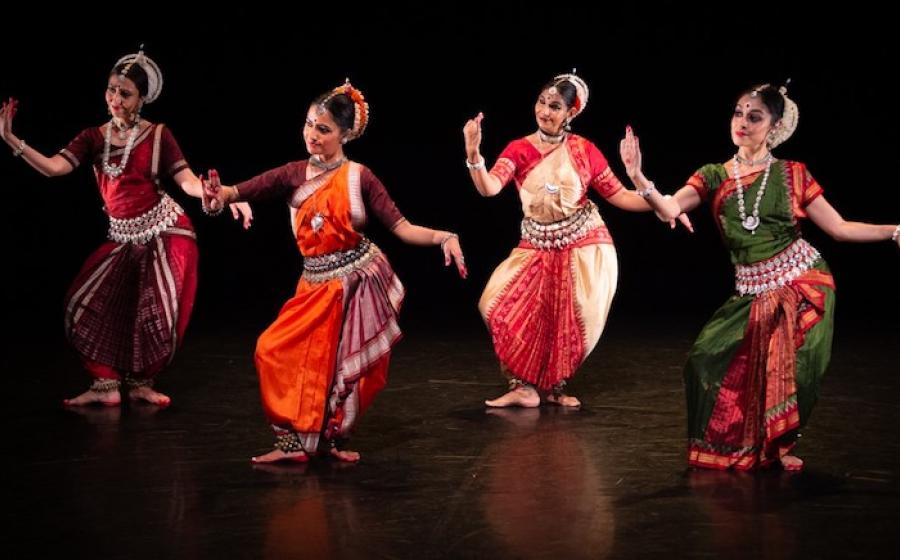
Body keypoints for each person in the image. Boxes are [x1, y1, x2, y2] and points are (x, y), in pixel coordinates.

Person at [620, 82, 900, 471]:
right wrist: (637, 175)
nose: (743, 123)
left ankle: (778, 448)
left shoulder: (793, 174)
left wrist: (895, 230)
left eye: (755, 117)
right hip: (751, 290)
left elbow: (839, 228)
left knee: (788, 368)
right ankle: (744, 446)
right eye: (738, 113)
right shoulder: (714, 175)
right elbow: (668, 209)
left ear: (775, 126)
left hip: (802, 282)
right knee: (705, 359)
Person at [203, 80, 466, 463]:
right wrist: (218, 198)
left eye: (323, 129)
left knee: (338, 368)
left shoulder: (360, 177)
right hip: (313, 285)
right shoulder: (294, 173)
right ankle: (292, 443)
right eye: (309, 124)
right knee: (272, 351)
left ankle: (326, 440)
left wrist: (445, 236)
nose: (312, 134)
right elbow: (240, 190)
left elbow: (403, 228)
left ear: (345, 134)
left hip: (355, 284)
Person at [0, 48, 252, 408]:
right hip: (122, 236)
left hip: (166, 231)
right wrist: (12, 140)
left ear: (142, 99)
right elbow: (55, 168)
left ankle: (140, 383)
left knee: (156, 311)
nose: (115, 99)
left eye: (125, 93)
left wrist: (223, 194)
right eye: (111, 90)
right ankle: (105, 385)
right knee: (82, 302)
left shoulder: (158, 135)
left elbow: (187, 181)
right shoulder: (92, 137)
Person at [462, 72, 689, 409]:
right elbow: (489, 187)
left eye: (555, 106)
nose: (544, 111)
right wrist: (473, 152)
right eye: (542, 102)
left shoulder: (584, 151)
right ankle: (522, 387)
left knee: (572, 314)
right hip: (537, 241)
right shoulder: (519, 148)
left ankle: (554, 387)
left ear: (571, 112)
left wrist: (666, 202)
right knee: (494, 304)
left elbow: (621, 197)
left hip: (583, 241)